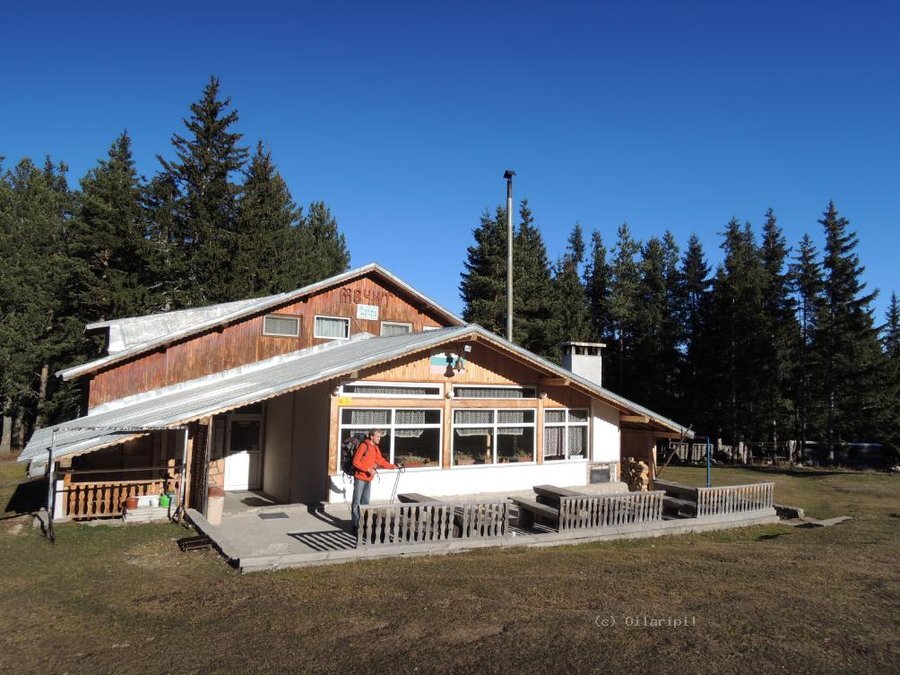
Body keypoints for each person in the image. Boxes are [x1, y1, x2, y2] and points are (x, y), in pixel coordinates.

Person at [350, 429, 397, 534]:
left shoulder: (375, 448)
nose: (379, 438)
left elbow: (380, 460)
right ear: (371, 437)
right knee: (356, 503)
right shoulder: (364, 446)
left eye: (380, 437)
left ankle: (363, 525)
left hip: (368, 479)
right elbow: (355, 461)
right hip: (360, 478)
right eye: (377, 436)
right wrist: (368, 469)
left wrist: (393, 466)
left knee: (365, 503)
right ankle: (355, 526)